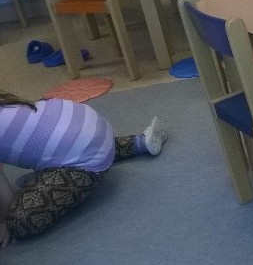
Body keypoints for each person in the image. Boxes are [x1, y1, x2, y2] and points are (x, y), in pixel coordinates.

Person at [0, 92, 168, 247]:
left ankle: (64, 173)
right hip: (90, 125)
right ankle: (138, 143)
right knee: (68, 145)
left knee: (18, 222)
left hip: (86, 159)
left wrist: (4, 221)